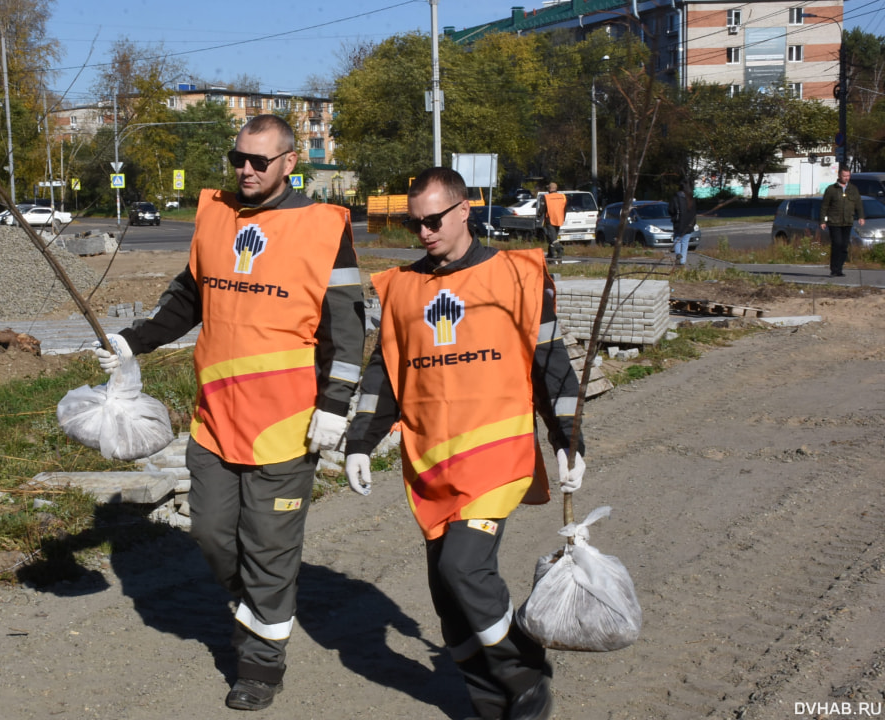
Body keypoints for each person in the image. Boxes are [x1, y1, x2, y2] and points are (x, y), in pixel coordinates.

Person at [92, 114, 365, 711]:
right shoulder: (214, 214)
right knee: (213, 534)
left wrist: (336, 407)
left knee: (269, 545)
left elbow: (348, 330)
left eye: (259, 161)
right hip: (215, 418)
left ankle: (260, 666)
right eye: (237, 158)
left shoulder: (323, 228)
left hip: (286, 424)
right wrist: (132, 340)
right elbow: (188, 300)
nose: (245, 169)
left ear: (290, 163)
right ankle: (262, 606)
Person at [342, 167, 584, 720]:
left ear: (464, 211)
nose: (423, 232)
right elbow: (385, 373)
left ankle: (525, 675)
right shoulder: (402, 286)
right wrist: (360, 441)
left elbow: (553, 366)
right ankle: (488, 700)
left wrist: (568, 438)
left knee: (463, 570)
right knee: (447, 598)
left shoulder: (516, 275)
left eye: (433, 220)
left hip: (496, 456)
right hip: (429, 462)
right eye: (414, 223)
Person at [820, 166, 865, 277]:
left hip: (847, 221)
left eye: (848, 176)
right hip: (834, 221)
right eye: (844, 176)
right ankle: (834, 269)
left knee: (844, 245)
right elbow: (824, 206)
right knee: (837, 244)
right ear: (839, 176)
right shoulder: (831, 189)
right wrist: (822, 220)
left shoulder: (853, 189)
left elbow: (858, 204)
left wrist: (861, 216)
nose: (846, 178)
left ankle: (839, 268)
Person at [669, 180, 696, 266]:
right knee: (685, 242)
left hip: (678, 222)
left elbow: (670, 210)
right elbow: (694, 212)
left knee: (677, 240)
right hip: (689, 224)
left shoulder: (675, 198)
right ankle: (683, 261)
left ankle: (678, 254)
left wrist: (673, 217)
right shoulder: (691, 198)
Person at [539, 183, 567, 259]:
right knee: (552, 236)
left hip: (550, 219)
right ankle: (551, 253)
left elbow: (542, 209)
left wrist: (539, 215)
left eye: (548, 188)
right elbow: (565, 209)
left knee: (553, 238)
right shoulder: (563, 197)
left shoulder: (546, 197)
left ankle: (560, 249)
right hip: (559, 219)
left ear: (550, 189)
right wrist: (563, 218)